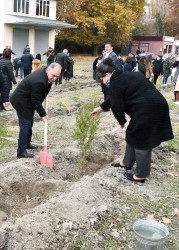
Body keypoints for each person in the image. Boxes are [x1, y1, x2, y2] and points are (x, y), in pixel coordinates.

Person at [91, 57, 173, 183]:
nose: (102, 82)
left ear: (107, 74)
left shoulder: (115, 82)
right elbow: (114, 98)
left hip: (149, 110)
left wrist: (121, 121)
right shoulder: (124, 76)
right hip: (154, 106)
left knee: (142, 139)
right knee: (132, 132)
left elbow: (116, 106)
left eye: (102, 79)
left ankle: (140, 176)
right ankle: (126, 163)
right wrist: (100, 108)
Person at [10, 63, 61, 158]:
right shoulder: (39, 81)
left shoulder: (46, 74)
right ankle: (21, 151)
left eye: (57, 77)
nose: (54, 78)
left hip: (27, 99)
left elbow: (40, 93)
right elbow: (35, 100)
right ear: (48, 70)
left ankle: (27, 143)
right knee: (25, 124)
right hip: (21, 100)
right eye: (53, 76)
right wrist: (43, 114)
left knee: (29, 121)